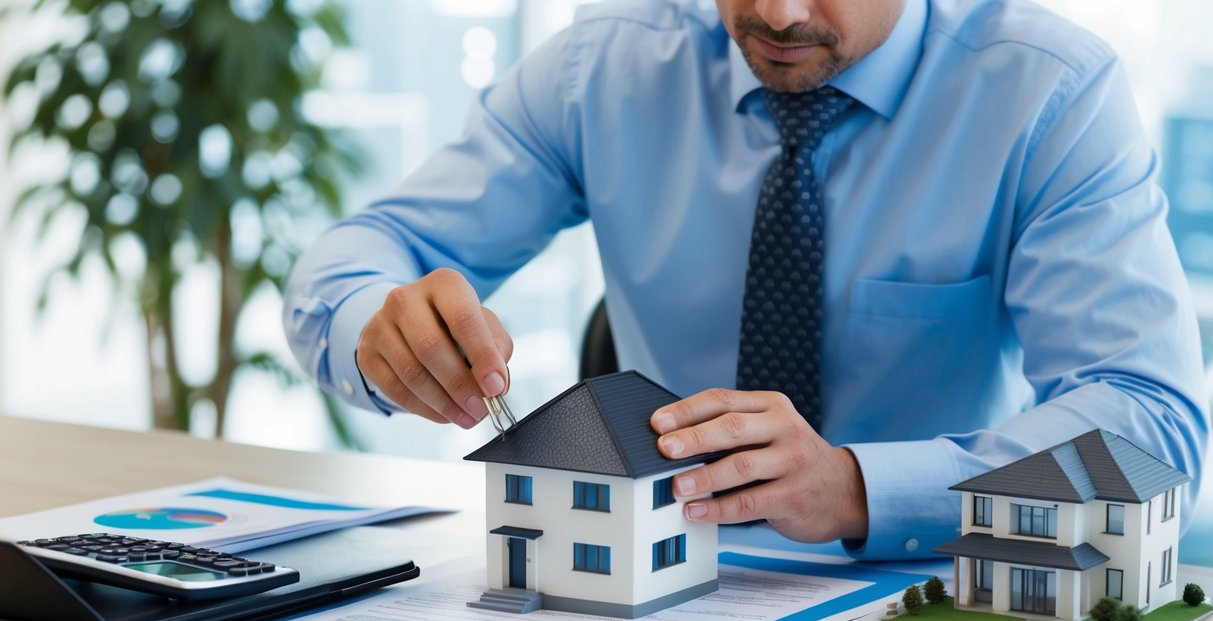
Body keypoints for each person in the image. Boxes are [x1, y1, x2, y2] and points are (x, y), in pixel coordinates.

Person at [284, 0, 1209, 560]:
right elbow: (359, 257)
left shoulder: (1046, 93)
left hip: (929, 589)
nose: (777, 13)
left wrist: (856, 488)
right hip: (650, 586)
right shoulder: (600, 67)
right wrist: (382, 328)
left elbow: (1150, 429)